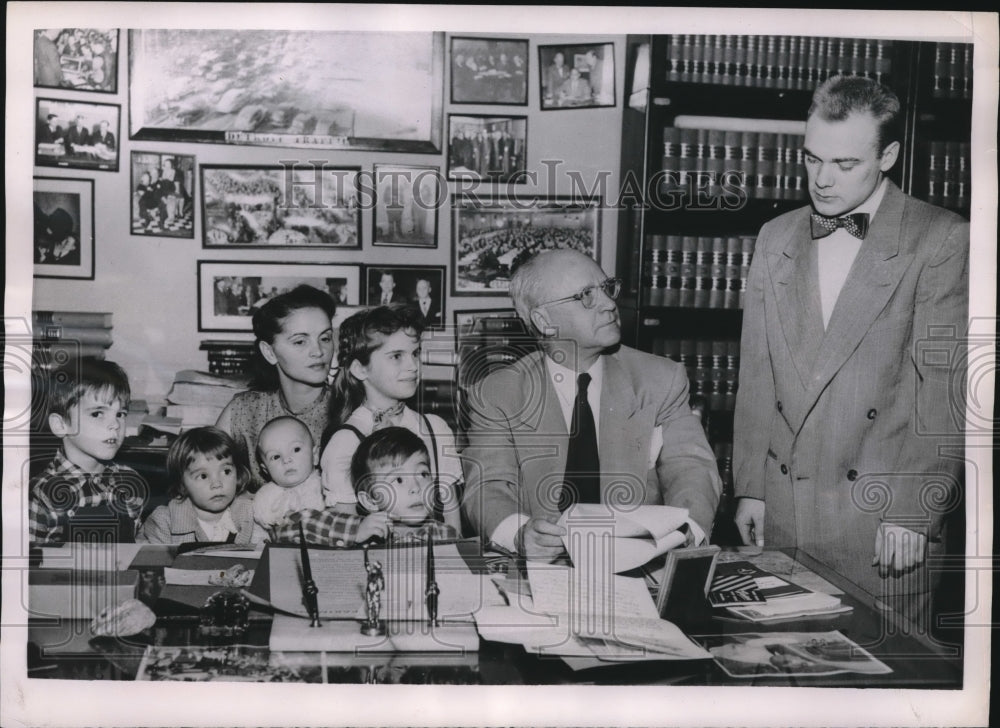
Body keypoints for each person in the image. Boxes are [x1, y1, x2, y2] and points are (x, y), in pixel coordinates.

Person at [732, 75, 968, 624]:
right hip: (784, 513)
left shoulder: (941, 238)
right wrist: (751, 488)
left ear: (887, 156)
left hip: (882, 525)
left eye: (845, 165)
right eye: (812, 159)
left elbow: (947, 392)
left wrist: (913, 512)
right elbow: (757, 376)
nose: (822, 180)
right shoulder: (776, 236)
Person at [461, 249, 722, 560]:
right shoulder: (498, 393)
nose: (610, 304)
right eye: (586, 295)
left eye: (607, 287)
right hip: (542, 570)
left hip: (643, 562)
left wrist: (688, 532)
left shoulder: (661, 379)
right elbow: (487, 486)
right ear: (544, 320)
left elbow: (691, 466)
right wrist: (519, 535)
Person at [319, 305, 463, 529]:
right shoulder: (345, 442)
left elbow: (453, 524)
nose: (413, 366)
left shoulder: (435, 428)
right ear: (359, 369)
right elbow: (345, 536)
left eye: (415, 353)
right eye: (396, 356)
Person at [216, 284, 336, 489]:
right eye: (300, 342)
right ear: (269, 352)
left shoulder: (350, 411)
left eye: (325, 338)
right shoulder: (243, 411)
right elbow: (204, 474)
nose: (318, 351)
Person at [28, 359, 144, 543]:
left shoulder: (130, 482)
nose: (115, 424)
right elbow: (30, 568)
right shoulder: (42, 494)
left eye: (120, 414)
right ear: (60, 425)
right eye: (97, 413)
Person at [137, 427, 257, 544]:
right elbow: (146, 560)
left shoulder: (252, 513)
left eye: (226, 471)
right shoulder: (164, 522)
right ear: (182, 484)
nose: (217, 484)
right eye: (203, 476)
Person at [350, 427, 459, 542]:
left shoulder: (447, 536)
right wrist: (355, 534)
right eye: (399, 480)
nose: (416, 488)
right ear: (370, 500)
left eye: (423, 474)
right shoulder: (363, 537)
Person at [252, 416, 325, 539]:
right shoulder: (266, 497)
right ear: (266, 470)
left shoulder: (325, 487)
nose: (286, 460)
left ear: (315, 455)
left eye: (296, 449)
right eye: (275, 457)